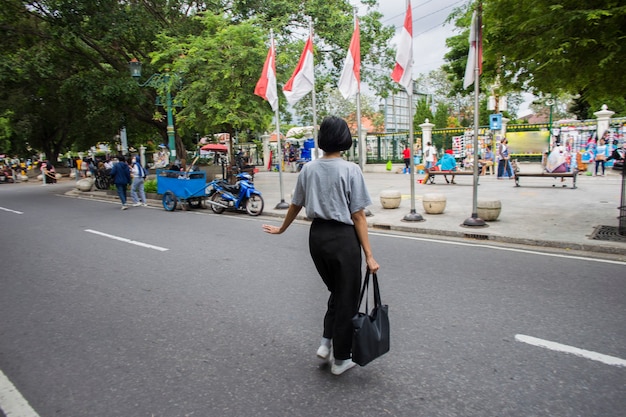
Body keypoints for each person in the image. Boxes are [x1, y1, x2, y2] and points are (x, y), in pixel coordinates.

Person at [262, 116, 379, 376]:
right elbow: (358, 215)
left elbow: (296, 203)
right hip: (342, 238)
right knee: (346, 297)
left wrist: (282, 228)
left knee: (338, 292)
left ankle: (326, 342)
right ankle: (340, 359)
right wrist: (369, 256)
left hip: (317, 238)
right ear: (344, 139)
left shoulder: (308, 169)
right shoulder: (350, 170)